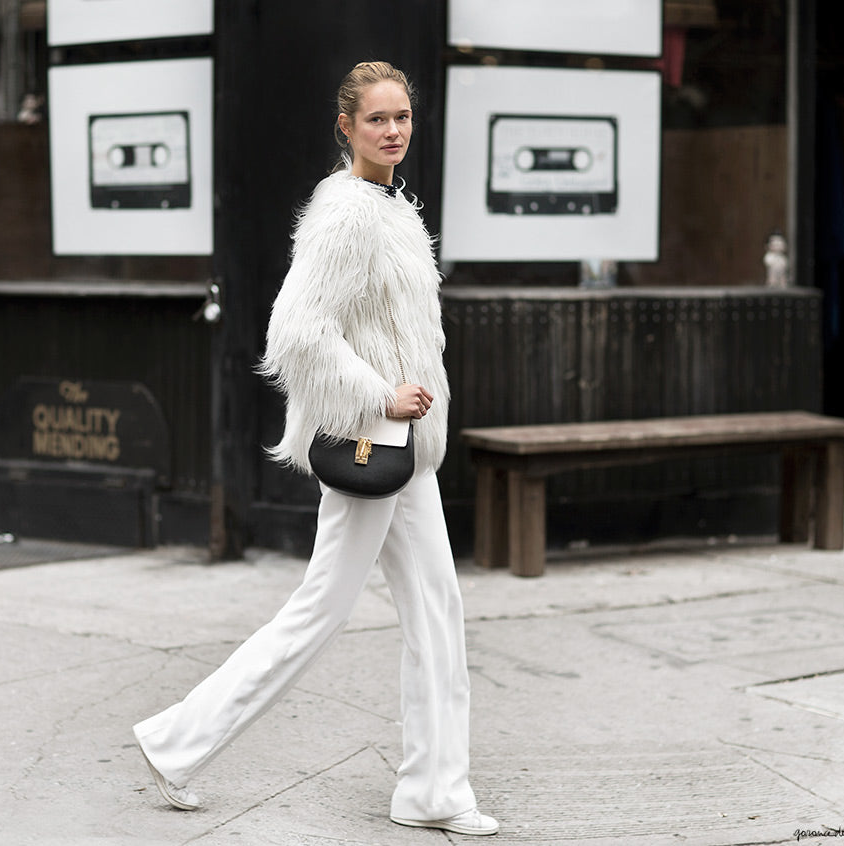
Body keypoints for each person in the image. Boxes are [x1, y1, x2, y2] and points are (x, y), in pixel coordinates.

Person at [133, 60, 498, 838]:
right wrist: (378, 392)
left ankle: (434, 790)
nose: (393, 130)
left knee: (438, 609)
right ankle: (175, 743)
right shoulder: (348, 215)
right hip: (374, 438)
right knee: (318, 613)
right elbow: (295, 334)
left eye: (402, 117)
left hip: (406, 449)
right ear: (347, 127)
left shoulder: (390, 205)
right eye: (377, 120)